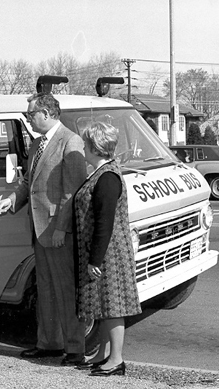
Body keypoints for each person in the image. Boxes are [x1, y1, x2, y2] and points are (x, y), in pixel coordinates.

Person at [0, 92, 87, 365]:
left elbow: (73, 191)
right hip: (39, 230)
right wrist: (10, 202)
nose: (28, 118)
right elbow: (28, 184)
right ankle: (49, 344)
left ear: (46, 114)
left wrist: (61, 228)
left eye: (31, 114)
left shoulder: (70, 142)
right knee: (45, 289)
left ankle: (75, 349)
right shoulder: (37, 145)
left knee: (65, 290)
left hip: (57, 232)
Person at [73, 122, 142, 376]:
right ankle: (103, 355)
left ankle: (116, 360)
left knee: (113, 306)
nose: (83, 148)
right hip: (105, 252)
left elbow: (105, 222)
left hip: (109, 254)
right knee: (102, 304)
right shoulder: (102, 172)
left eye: (85, 145)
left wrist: (95, 259)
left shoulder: (108, 177)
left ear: (95, 147)